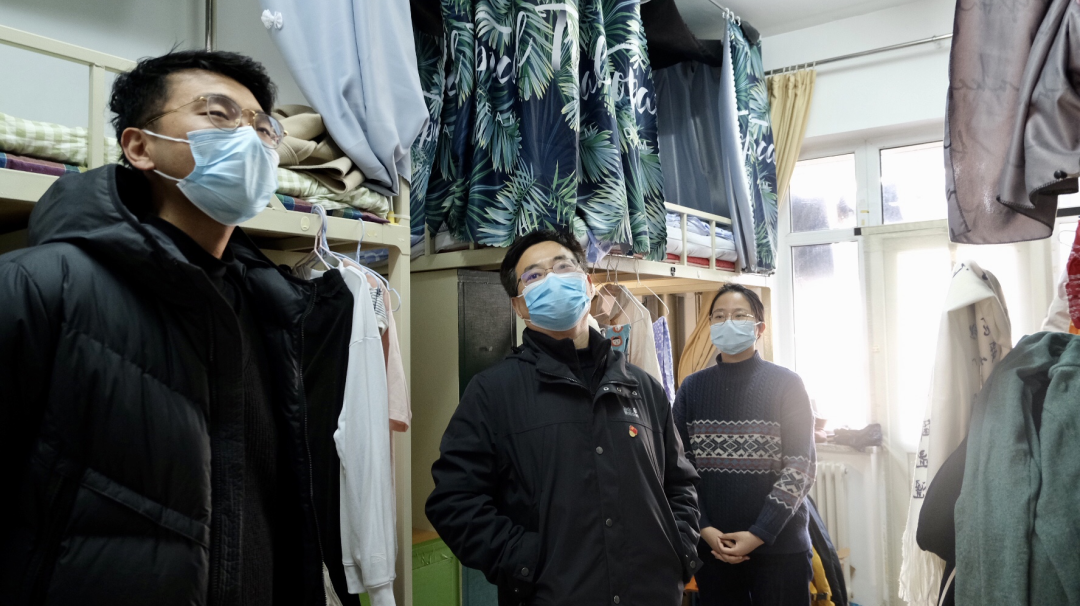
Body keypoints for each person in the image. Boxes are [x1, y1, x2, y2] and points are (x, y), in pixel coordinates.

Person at [0, 51, 355, 605]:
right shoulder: (36, 286)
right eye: (217, 114)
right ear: (140, 147)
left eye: (263, 127)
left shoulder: (275, 312)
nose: (249, 137)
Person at [426, 230, 702, 606]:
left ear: (587, 284)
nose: (552, 279)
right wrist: (526, 562)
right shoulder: (493, 393)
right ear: (519, 306)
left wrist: (678, 550)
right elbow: (453, 502)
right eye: (534, 275)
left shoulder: (642, 387)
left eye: (563, 267)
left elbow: (681, 484)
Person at [673, 283, 816, 606]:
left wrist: (759, 533)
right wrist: (705, 528)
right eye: (719, 316)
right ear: (710, 326)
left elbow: (800, 468)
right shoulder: (691, 389)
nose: (728, 322)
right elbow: (679, 469)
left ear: (759, 328)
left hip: (780, 549)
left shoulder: (787, 384)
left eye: (739, 315)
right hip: (713, 548)